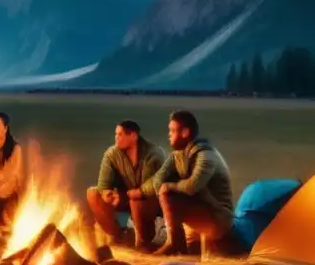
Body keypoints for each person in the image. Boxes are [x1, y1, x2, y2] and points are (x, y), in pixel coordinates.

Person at [138, 109, 234, 256]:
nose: (169, 134)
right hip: (199, 212)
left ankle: (174, 243)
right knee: (160, 191)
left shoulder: (206, 155)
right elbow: (157, 179)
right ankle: (173, 242)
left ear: (185, 132)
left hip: (217, 217)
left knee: (168, 192)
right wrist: (138, 192)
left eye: (172, 130)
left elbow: (192, 186)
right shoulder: (178, 155)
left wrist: (169, 187)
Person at [85, 120, 166, 250]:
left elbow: (150, 187)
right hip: (126, 198)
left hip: (152, 202)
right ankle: (118, 235)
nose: (116, 137)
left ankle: (143, 241)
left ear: (134, 136)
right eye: (116, 134)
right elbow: (103, 184)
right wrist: (107, 194)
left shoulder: (154, 154)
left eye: (121, 134)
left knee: (137, 200)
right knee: (93, 193)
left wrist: (126, 196)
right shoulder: (112, 154)